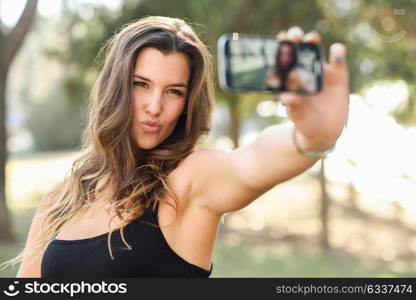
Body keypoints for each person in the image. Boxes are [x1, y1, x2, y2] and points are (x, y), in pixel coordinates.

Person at [1, 17, 349, 277]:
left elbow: (251, 163)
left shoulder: (186, 183)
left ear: (187, 103)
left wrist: (312, 137)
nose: (155, 106)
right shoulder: (60, 199)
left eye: (174, 91)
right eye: (141, 84)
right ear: (114, 87)